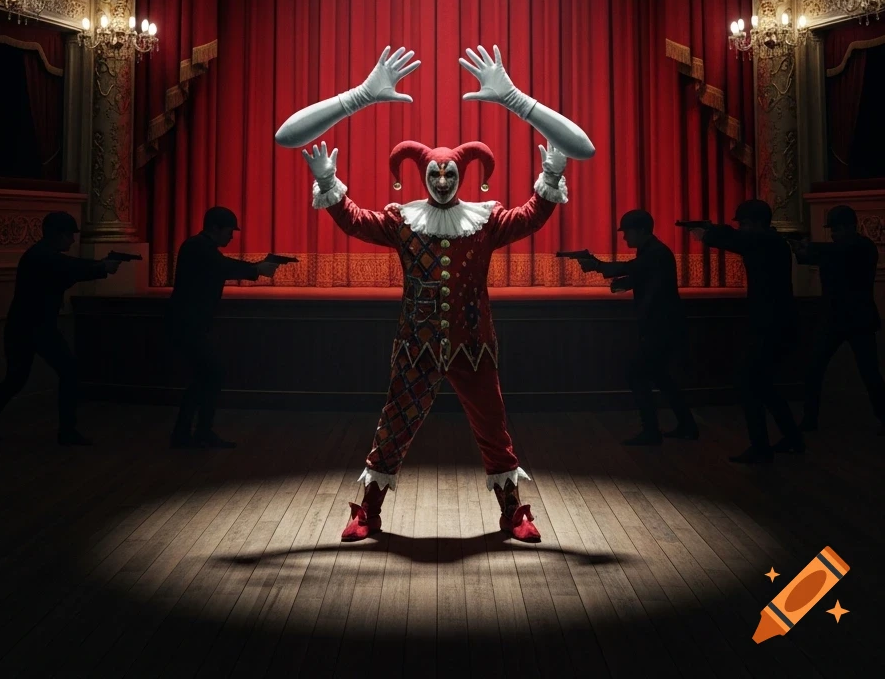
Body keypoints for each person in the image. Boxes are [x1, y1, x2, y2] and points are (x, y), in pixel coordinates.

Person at [276, 43, 595, 544]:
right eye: (434, 173)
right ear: (421, 175)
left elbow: (533, 214)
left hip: (475, 342)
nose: (443, 179)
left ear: (462, 174)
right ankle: (368, 512)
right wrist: (327, 179)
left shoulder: (485, 221)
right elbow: (355, 221)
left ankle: (514, 514)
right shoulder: (403, 220)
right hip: (415, 345)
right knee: (394, 427)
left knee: (495, 431)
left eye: (449, 172)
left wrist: (551, 173)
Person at [0, 211, 120, 446]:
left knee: (16, 379)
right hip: (36, 327)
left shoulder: (39, 255)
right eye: (69, 235)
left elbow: (69, 269)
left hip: (27, 326)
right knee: (66, 372)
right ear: (57, 234)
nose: (72, 240)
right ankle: (67, 431)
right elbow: (70, 268)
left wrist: (100, 266)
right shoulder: (43, 257)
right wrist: (102, 268)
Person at [691, 199, 803, 463]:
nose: (740, 228)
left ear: (755, 224)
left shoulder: (765, 242)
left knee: (748, 383)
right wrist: (712, 231)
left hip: (770, 325)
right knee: (762, 385)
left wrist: (708, 233)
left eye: (743, 224)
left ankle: (762, 447)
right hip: (776, 323)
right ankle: (791, 438)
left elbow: (733, 240)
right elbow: (737, 238)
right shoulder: (772, 242)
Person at [576, 210, 697, 445]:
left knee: (636, 374)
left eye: (627, 232)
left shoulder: (656, 253)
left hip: (661, 326)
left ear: (641, 230)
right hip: (664, 325)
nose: (624, 238)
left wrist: (597, 265)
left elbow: (632, 268)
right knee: (660, 376)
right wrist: (620, 282)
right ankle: (686, 425)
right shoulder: (652, 251)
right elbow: (640, 274)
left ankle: (652, 432)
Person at [167, 207, 283, 448]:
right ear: (215, 228)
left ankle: (192, 432)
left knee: (205, 376)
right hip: (188, 324)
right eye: (230, 230)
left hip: (191, 323)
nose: (232, 236)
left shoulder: (199, 247)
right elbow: (222, 266)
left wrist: (256, 268)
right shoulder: (198, 247)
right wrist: (256, 270)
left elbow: (222, 265)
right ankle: (194, 432)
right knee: (211, 373)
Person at [794, 204, 885, 434]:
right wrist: (799, 248)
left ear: (851, 227)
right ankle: (809, 419)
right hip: (844, 318)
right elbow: (809, 258)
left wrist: (807, 246)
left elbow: (839, 251)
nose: (834, 233)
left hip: (852, 319)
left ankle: (810, 419)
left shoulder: (861, 247)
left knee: (869, 373)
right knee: (816, 368)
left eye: (838, 229)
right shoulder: (842, 249)